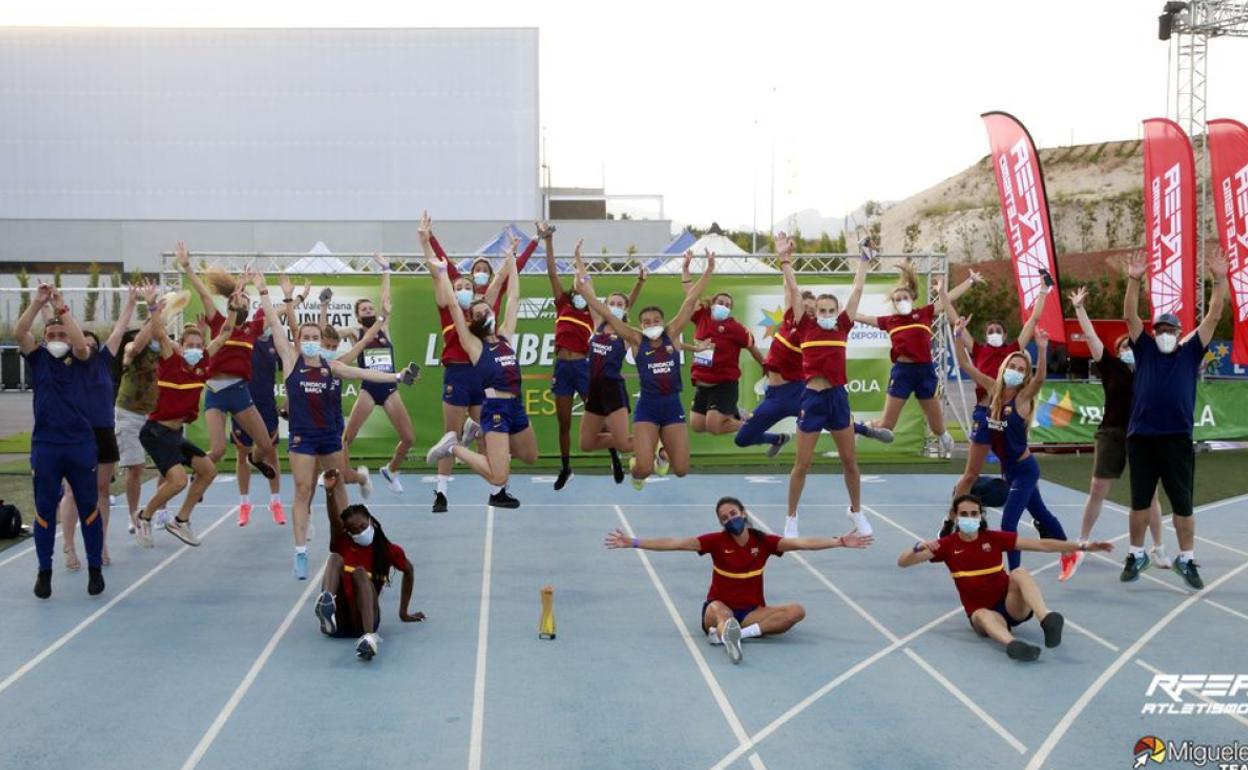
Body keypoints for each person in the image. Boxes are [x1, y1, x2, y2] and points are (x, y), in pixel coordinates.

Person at [252, 271, 420, 579]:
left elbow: (368, 375)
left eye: (317, 338)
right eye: (307, 338)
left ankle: (350, 539)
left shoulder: (335, 366)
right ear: (299, 341)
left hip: (330, 437)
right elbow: (276, 324)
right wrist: (266, 291)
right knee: (303, 489)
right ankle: (300, 552)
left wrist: (397, 377)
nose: (313, 342)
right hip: (303, 437)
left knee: (340, 480)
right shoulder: (291, 362)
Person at [604, 495, 872, 664]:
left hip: (753, 613)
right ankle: (727, 630)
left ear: (743, 513)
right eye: (724, 518)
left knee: (795, 612)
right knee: (722, 614)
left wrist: (839, 541)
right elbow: (675, 543)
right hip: (718, 608)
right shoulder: (716, 542)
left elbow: (802, 543)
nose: (729, 519)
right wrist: (634, 542)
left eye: (732, 514)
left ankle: (735, 636)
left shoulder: (763, 542)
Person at [1120, 251, 1229, 588]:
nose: (1165, 333)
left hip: (1177, 438)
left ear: (1180, 331)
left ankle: (1187, 559)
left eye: (1170, 329)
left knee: (1183, 503)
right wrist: (1135, 279)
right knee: (1139, 502)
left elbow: (1213, 315)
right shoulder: (1146, 348)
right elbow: (1129, 316)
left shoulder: (1191, 350)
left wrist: (1219, 279)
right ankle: (1136, 553)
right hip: (1141, 438)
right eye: (1160, 329)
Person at [898, 494, 1113, 661]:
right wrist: (918, 547)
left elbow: (1042, 544)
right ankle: (1013, 645)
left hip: (1011, 606)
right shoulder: (946, 545)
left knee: (1018, 572)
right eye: (964, 514)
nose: (970, 518)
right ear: (956, 517)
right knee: (982, 614)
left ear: (981, 516)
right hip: (986, 615)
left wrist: (1083, 546)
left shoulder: (993, 538)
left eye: (974, 514)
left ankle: (1047, 618)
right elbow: (904, 562)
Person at [952, 309, 1076, 577]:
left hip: (1024, 469)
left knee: (1009, 523)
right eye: (1013, 367)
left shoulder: (1022, 399)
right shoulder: (991, 388)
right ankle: (1070, 550)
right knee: (1041, 513)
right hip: (1008, 470)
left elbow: (1040, 378)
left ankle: (1015, 575)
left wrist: (1041, 350)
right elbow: (964, 364)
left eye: (1022, 369)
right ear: (1004, 367)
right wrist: (957, 336)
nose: (1017, 372)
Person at [576, 254, 714, 489]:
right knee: (644, 469)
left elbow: (691, 300)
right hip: (648, 408)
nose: (652, 324)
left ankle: (660, 452)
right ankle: (636, 466)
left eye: (656, 319)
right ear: (640, 325)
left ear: (663, 321)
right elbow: (606, 313)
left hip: (672, 406)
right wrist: (585, 292)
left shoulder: (671, 333)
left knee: (681, 470)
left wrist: (708, 269)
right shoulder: (636, 339)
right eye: (647, 321)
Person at [424, 227, 537, 508]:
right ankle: (453, 447)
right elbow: (451, 304)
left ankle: (471, 436)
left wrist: (511, 261)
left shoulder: (505, 336)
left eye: (486, 309)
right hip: (496, 409)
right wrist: (439, 273)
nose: (484, 311)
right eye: (477, 313)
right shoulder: (474, 345)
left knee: (531, 455)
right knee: (498, 476)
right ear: (472, 322)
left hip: (516, 407)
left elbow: (512, 299)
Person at [1065, 285, 1165, 579]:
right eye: (1124, 348)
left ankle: (1159, 546)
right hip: (1111, 432)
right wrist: (1080, 309)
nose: (1128, 351)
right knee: (1098, 488)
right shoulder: (1111, 367)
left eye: (1132, 347)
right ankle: (1082, 540)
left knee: (1151, 496)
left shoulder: (1153, 369)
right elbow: (1093, 339)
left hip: (1144, 436)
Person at [16, 284, 104, 599]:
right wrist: (38, 302)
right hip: (46, 446)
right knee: (43, 510)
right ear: (44, 340)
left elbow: (80, 344)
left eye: (61, 335)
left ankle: (94, 569)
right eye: (51, 336)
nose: (57, 340)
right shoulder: (38, 358)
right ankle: (44, 571)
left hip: (80, 445)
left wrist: (62, 309)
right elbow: (19, 332)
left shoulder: (83, 358)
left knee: (89, 508)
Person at [134, 301, 236, 550]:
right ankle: (144, 516)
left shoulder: (202, 367)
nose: (194, 349)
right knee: (178, 481)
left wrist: (233, 305)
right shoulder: (171, 362)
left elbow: (225, 333)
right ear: (181, 347)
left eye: (199, 346)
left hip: (175, 435)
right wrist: (152, 308)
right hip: (156, 431)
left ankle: (181, 520)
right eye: (189, 346)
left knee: (209, 470)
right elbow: (159, 333)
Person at [784, 246, 870, 539]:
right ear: (814, 311)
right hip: (812, 398)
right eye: (822, 310)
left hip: (837, 399)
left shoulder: (843, 326)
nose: (827, 314)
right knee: (802, 464)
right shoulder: (805, 327)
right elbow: (794, 291)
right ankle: (791, 518)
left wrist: (864, 260)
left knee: (850, 462)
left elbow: (857, 290)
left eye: (831, 310)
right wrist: (785, 259)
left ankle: (856, 511)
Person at [174, 243, 279, 482]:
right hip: (215, 391)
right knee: (219, 450)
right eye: (239, 298)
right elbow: (203, 293)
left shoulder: (253, 329)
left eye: (246, 300)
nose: (242, 302)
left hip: (240, 391)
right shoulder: (218, 321)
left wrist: (292, 297)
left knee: (265, 445)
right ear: (232, 301)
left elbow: (276, 313)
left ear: (249, 307)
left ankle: (255, 460)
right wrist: (187, 266)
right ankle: (197, 471)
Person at [853, 261, 978, 457]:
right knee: (887, 425)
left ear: (911, 298)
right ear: (893, 304)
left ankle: (944, 437)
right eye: (897, 299)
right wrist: (840, 311)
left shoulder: (924, 314)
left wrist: (970, 281)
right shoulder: (889, 321)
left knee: (937, 426)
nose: (901, 301)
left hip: (925, 371)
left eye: (904, 297)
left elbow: (949, 297)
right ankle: (858, 429)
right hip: (903, 372)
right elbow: (858, 316)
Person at [58, 282, 142, 570]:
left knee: (103, 490)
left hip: (104, 431)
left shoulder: (106, 362)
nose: (89, 346)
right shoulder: (68, 366)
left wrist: (131, 303)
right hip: (75, 433)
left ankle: (100, 543)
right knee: (71, 492)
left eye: (93, 343)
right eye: (83, 343)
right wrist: (51, 307)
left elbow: (119, 330)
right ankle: (69, 546)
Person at [942, 278, 1046, 498]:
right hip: (985, 411)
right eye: (990, 330)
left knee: (1016, 470)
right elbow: (955, 320)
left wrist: (1044, 290)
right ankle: (952, 517)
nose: (994, 333)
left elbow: (1034, 318)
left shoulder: (1014, 351)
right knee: (970, 474)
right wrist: (942, 294)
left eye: (998, 330)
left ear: (1005, 334)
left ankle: (1037, 512)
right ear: (985, 334)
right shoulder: (978, 350)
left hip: (1010, 414)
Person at [329, 255, 417, 496]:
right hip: (369, 389)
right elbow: (330, 331)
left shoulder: (383, 327)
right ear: (358, 315)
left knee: (409, 438)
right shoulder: (354, 331)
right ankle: (341, 472)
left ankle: (391, 469)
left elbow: (386, 299)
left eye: (371, 308)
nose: (369, 311)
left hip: (389, 389)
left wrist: (387, 269)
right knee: (346, 438)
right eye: (364, 309)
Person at [313, 468, 424, 661]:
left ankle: (369, 638)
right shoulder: (344, 543)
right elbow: (334, 521)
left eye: (363, 526)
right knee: (334, 558)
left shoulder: (389, 550)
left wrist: (403, 612)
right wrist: (330, 493)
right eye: (354, 530)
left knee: (360, 574)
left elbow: (409, 571)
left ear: (371, 521)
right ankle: (327, 604)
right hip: (338, 623)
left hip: (363, 620)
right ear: (348, 532)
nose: (359, 532)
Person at [572, 240, 646, 484]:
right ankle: (644, 441)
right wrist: (578, 259)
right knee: (586, 443)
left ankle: (650, 449)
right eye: (611, 303)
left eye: (619, 304)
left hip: (613, 388)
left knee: (624, 444)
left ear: (625, 310)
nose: (614, 307)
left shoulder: (625, 332)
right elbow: (587, 287)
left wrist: (639, 283)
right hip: (594, 390)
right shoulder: (598, 322)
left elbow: (630, 301)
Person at [733, 233, 810, 457]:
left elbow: (794, 292)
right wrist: (787, 256)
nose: (801, 307)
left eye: (808, 307)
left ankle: (864, 429)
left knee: (831, 419)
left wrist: (784, 259)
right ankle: (778, 439)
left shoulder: (807, 330)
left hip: (796, 391)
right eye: (802, 305)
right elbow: (789, 290)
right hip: (774, 395)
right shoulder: (787, 321)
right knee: (742, 438)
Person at [679, 251, 767, 438]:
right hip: (703, 383)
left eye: (728, 305)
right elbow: (690, 293)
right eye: (721, 302)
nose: (724, 306)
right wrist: (685, 268)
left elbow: (752, 348)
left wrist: (765, 366)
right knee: (697, 425)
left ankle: (751, 424)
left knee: (713, 426)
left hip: (724, 383)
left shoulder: (735, 328)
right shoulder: (701, 316)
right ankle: (738, 415)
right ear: (712, 304)